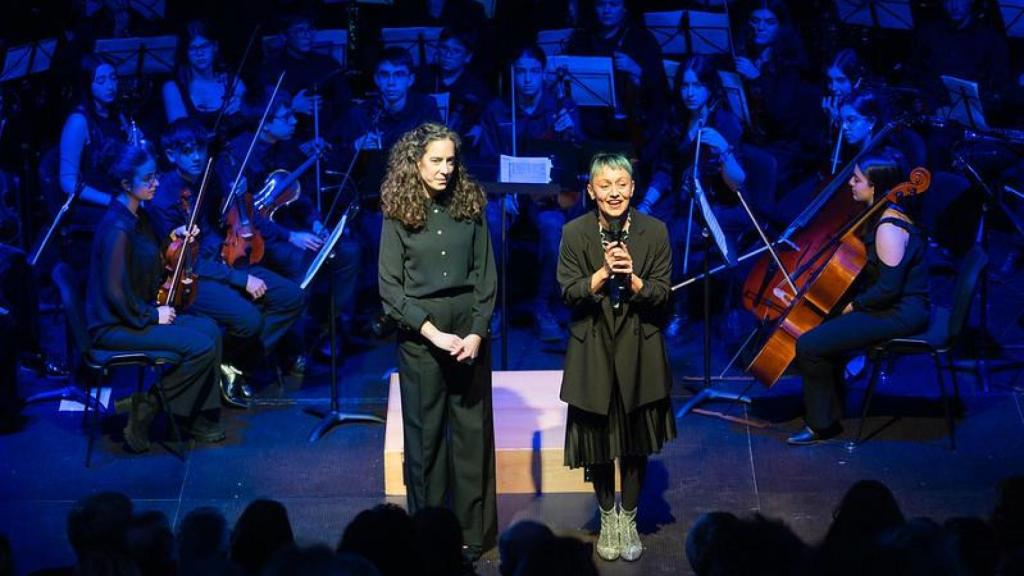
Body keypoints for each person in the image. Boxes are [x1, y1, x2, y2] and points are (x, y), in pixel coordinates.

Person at [378, 123, 497, 561]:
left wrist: (476, 332)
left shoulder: (470, 204)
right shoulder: (397, 212)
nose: (446, 169)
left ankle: (472, 535)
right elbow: (390, 288)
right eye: (436, 160)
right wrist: (430, 332)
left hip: (468, 331)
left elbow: (486, 275)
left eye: (451, 160)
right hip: (422, 338)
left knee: (471, 436)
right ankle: (427, 537)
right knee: (425, 441)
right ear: (415, 161)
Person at [557, 152, 676, 562]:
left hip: (639, 348)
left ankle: (629, 515)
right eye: (604, 185)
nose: (614, 192)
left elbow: (663, 295)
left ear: (633, 187)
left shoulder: (655, 231)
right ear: (591, 191)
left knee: (634, 441)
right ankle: (607, 515)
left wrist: (635, 279)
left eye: (621, 184)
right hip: (593, 348)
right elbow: (568, 292)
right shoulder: (574, 233)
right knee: (599, 443)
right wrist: (602, 274)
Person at [150, 118, 305, 402]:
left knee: (291, 297)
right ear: (171, 155)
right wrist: (240, 278)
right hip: (190, 280)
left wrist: (235, 193)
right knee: (249, 319)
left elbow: (225, 223)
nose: (197, 156)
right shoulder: (163, 200)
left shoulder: (210, 180)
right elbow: (184, 262)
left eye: (199, 148)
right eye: (187, 151)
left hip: (223, 261)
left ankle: (233, 364)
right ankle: (221, 365)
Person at [85, 143, 225, 452]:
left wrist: (173, 242)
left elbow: (148, 261)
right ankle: (147, 406)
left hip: (136, 313)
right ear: (126, 185)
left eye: (155, 176)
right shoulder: (116, 229)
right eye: (147, 179)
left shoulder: (139, 217)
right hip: (114, 327)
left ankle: (198, 417)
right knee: (200, 347)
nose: (156, 184)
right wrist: (153, 316)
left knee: (211, 331)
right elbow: (114, 292)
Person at [789, 149, 930, 445]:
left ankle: (821, 425)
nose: (851, 184)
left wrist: (854, 306)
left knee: (809, 345)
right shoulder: (877, 215)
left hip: (901, 312)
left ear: (874, 186)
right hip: (889, 304)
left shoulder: (888, 228)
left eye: (856, 179)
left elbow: (889, 289)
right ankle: (832, 407)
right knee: (825, 328)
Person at [478, 44, 584, 340]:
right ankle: (497, 307)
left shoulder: (561, 109)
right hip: (507, 194)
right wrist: (503, 189)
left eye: (533, 72)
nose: (527, 78)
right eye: (521, 72)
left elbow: (576, 161)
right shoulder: (497, 110)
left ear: (543, 74)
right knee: (491, 222)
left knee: (553, 229)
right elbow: (487, 162)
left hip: (546, 197)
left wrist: (570, 133)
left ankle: (543, 306)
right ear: (512, 74)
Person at [638, 55, 748, 338]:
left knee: (673, 235)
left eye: (697, 86)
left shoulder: (725, 121)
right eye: (685, 85)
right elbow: (666, 169)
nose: (689, 92)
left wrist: (724, 149)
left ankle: (678, 307)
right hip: (682, 199)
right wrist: (646, 203)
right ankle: (642, 304)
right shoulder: (679, 118)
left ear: (710, 88)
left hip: (717, 205)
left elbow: (737, 183)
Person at [162, 20, 247, 142]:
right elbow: (182, 137)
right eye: (192, 48)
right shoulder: (173, 87)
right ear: (185, 53)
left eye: (204, 46)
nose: (199, 53)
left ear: (215, 47)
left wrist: (244, 105)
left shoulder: (233, 82)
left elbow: (254, 121)